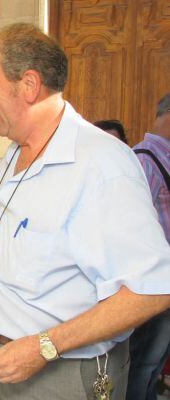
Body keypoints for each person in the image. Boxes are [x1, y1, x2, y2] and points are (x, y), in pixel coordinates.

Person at [0, 23, 170, 399]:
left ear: (29, 85)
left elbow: (152, 290)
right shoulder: (15, 152)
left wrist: (44, 346)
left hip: (59, 375)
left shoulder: (101, 164)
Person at [128, 93, 170, 400]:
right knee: (142, 364)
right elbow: (128, 227)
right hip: (150, 284)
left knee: (153, 366)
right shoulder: (144, 160)